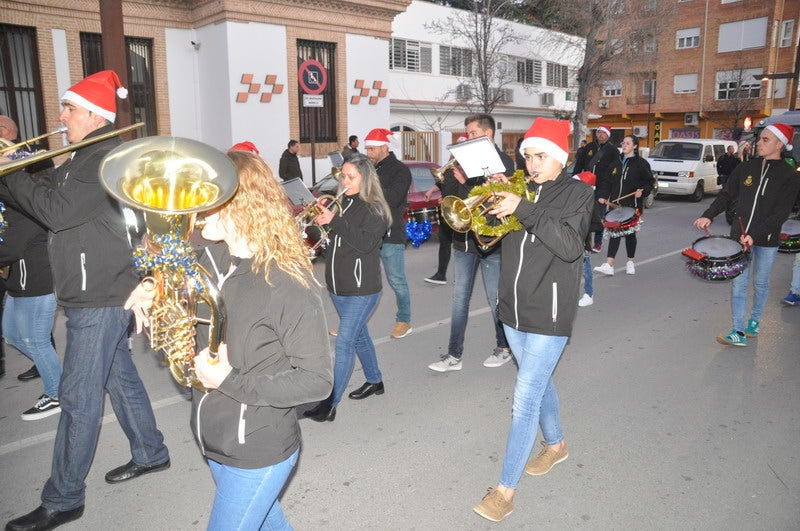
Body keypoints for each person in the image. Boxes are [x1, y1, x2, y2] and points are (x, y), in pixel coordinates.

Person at [126, 150, 333, 529]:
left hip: (257, 448)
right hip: (214, 436)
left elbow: (317, 382)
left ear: (240, 206)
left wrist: (229, 380)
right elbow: (161, 259)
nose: (197, 210)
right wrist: (153, 286)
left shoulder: (288, 283)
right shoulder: (209, 259)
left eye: (208, 199)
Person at [1, 70, 170, 531]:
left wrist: (11, 168)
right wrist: (11, 174)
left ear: (95, 116)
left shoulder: (102, 159)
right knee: (121, 379)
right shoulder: (82, 157)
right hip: (95, 289)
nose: (61, 116)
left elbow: (56, 212)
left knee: (77, 397)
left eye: (69, 108)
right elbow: (45, 199)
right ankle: (151, 452)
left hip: (100, 293)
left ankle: (64, 498)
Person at [471, 117, 594, 522]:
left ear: (560, 157)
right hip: (513, 309)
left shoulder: (578, 193)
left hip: (549, 312)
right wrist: (487, 210)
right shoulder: (519, 188)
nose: (532, 163)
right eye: (527, 155)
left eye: (541, 156)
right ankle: (556, 445)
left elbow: (570, 246)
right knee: (537, 382)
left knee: (525, 398)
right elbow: (488, 242)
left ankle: (504, 492)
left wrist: (523, 208)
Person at [693, 123, 800, 347]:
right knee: (738, 284)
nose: (759, 143)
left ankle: (754, 321)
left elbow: (781, 214)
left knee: (760, 283)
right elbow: (726, 194)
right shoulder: (746, 167)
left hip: (766, 239)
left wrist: (755, 235)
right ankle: (738, 331)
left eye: (766, 140)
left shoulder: (789, 176)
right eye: (760, 138)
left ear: (779, 144)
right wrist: (708, 215)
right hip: (739, 239)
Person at [304, 154, 392, 422]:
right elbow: (328, 243)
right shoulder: (341, 203)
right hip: (338, 286)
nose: (344, 181)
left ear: (366, 179)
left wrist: (334, 220)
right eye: (343, 176)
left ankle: (329, 403)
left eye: (351, 177)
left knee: (344, 342)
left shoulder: (375, 209)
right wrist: (315, 222)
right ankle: (375, 381)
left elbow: (364, 243)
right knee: (359, 335)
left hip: (362, 289)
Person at [427, 114, 514, 372]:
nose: (468, 137)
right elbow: (453, 200)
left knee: (495, 299)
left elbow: (493, 201)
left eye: (473, 133)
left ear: (488, 134)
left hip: (491, 242)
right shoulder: (464, 162)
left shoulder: (504, 163)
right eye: (467, 133)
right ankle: (454, 355)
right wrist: (446, 180)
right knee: (459, 300)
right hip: (464, 242)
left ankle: (504, 348)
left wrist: (466, 182)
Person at [0, 184, 63, 421]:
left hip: (37, 285)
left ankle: (57, 394)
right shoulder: (10, 206)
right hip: (18, 284)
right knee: (11, 334)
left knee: (36, 341)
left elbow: (8, 249)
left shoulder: (24, 207)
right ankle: (62, 376)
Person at [364, 128, 413, 339]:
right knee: (364, 281)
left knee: (397, 281)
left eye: (372, 149)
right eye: (367, 149)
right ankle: (354, 322)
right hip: (369, 233)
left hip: (391, 234)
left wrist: (368, 185)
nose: (368, 153)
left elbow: (393, 198)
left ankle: (404, 320)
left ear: (384, 147)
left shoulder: (400, 170)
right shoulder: (370, 168)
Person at [593, 134, 655, 276]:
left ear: (635, 146)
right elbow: (607, 182)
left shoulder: (641, 164)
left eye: (628, 143)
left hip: (632, 205)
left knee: (630, 234)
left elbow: (649, 182)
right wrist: (603, 196)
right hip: (615, 204)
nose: (624, 145)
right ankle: (609, 265)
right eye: (623, 143)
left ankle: (630, 263)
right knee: (614, 233)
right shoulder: (615, 163)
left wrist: (642, 191)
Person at [423, 135, 467, 285]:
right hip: (446, 209)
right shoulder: (449, 167)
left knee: (462, 245)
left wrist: (449, 199)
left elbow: (465, 189)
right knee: (444, 241)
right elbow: (443, 184)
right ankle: (441, 274)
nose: (453, 153)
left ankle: (462, 279)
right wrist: (431, 190)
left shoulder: (466, 168)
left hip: (458, 210)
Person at [573, 125, 618, 252]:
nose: (600, 135)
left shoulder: (613, 150)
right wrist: (574, 179)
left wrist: (609, 190)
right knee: (584, 213)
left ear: (608, 135)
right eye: (599, 132)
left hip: (602, 187)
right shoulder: (589, 147)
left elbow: (615, 172)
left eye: (603, 133)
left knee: (599, 215)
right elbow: (579, 164)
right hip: (586, 185)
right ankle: (585, 241)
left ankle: (598, 242)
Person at [574, 171, 603, 307]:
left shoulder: (592, 203)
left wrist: (582, 226)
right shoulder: (570, 200)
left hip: (582, 243)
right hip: (567, 240)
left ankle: (588, 294)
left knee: (585, 270)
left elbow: (598, 226)